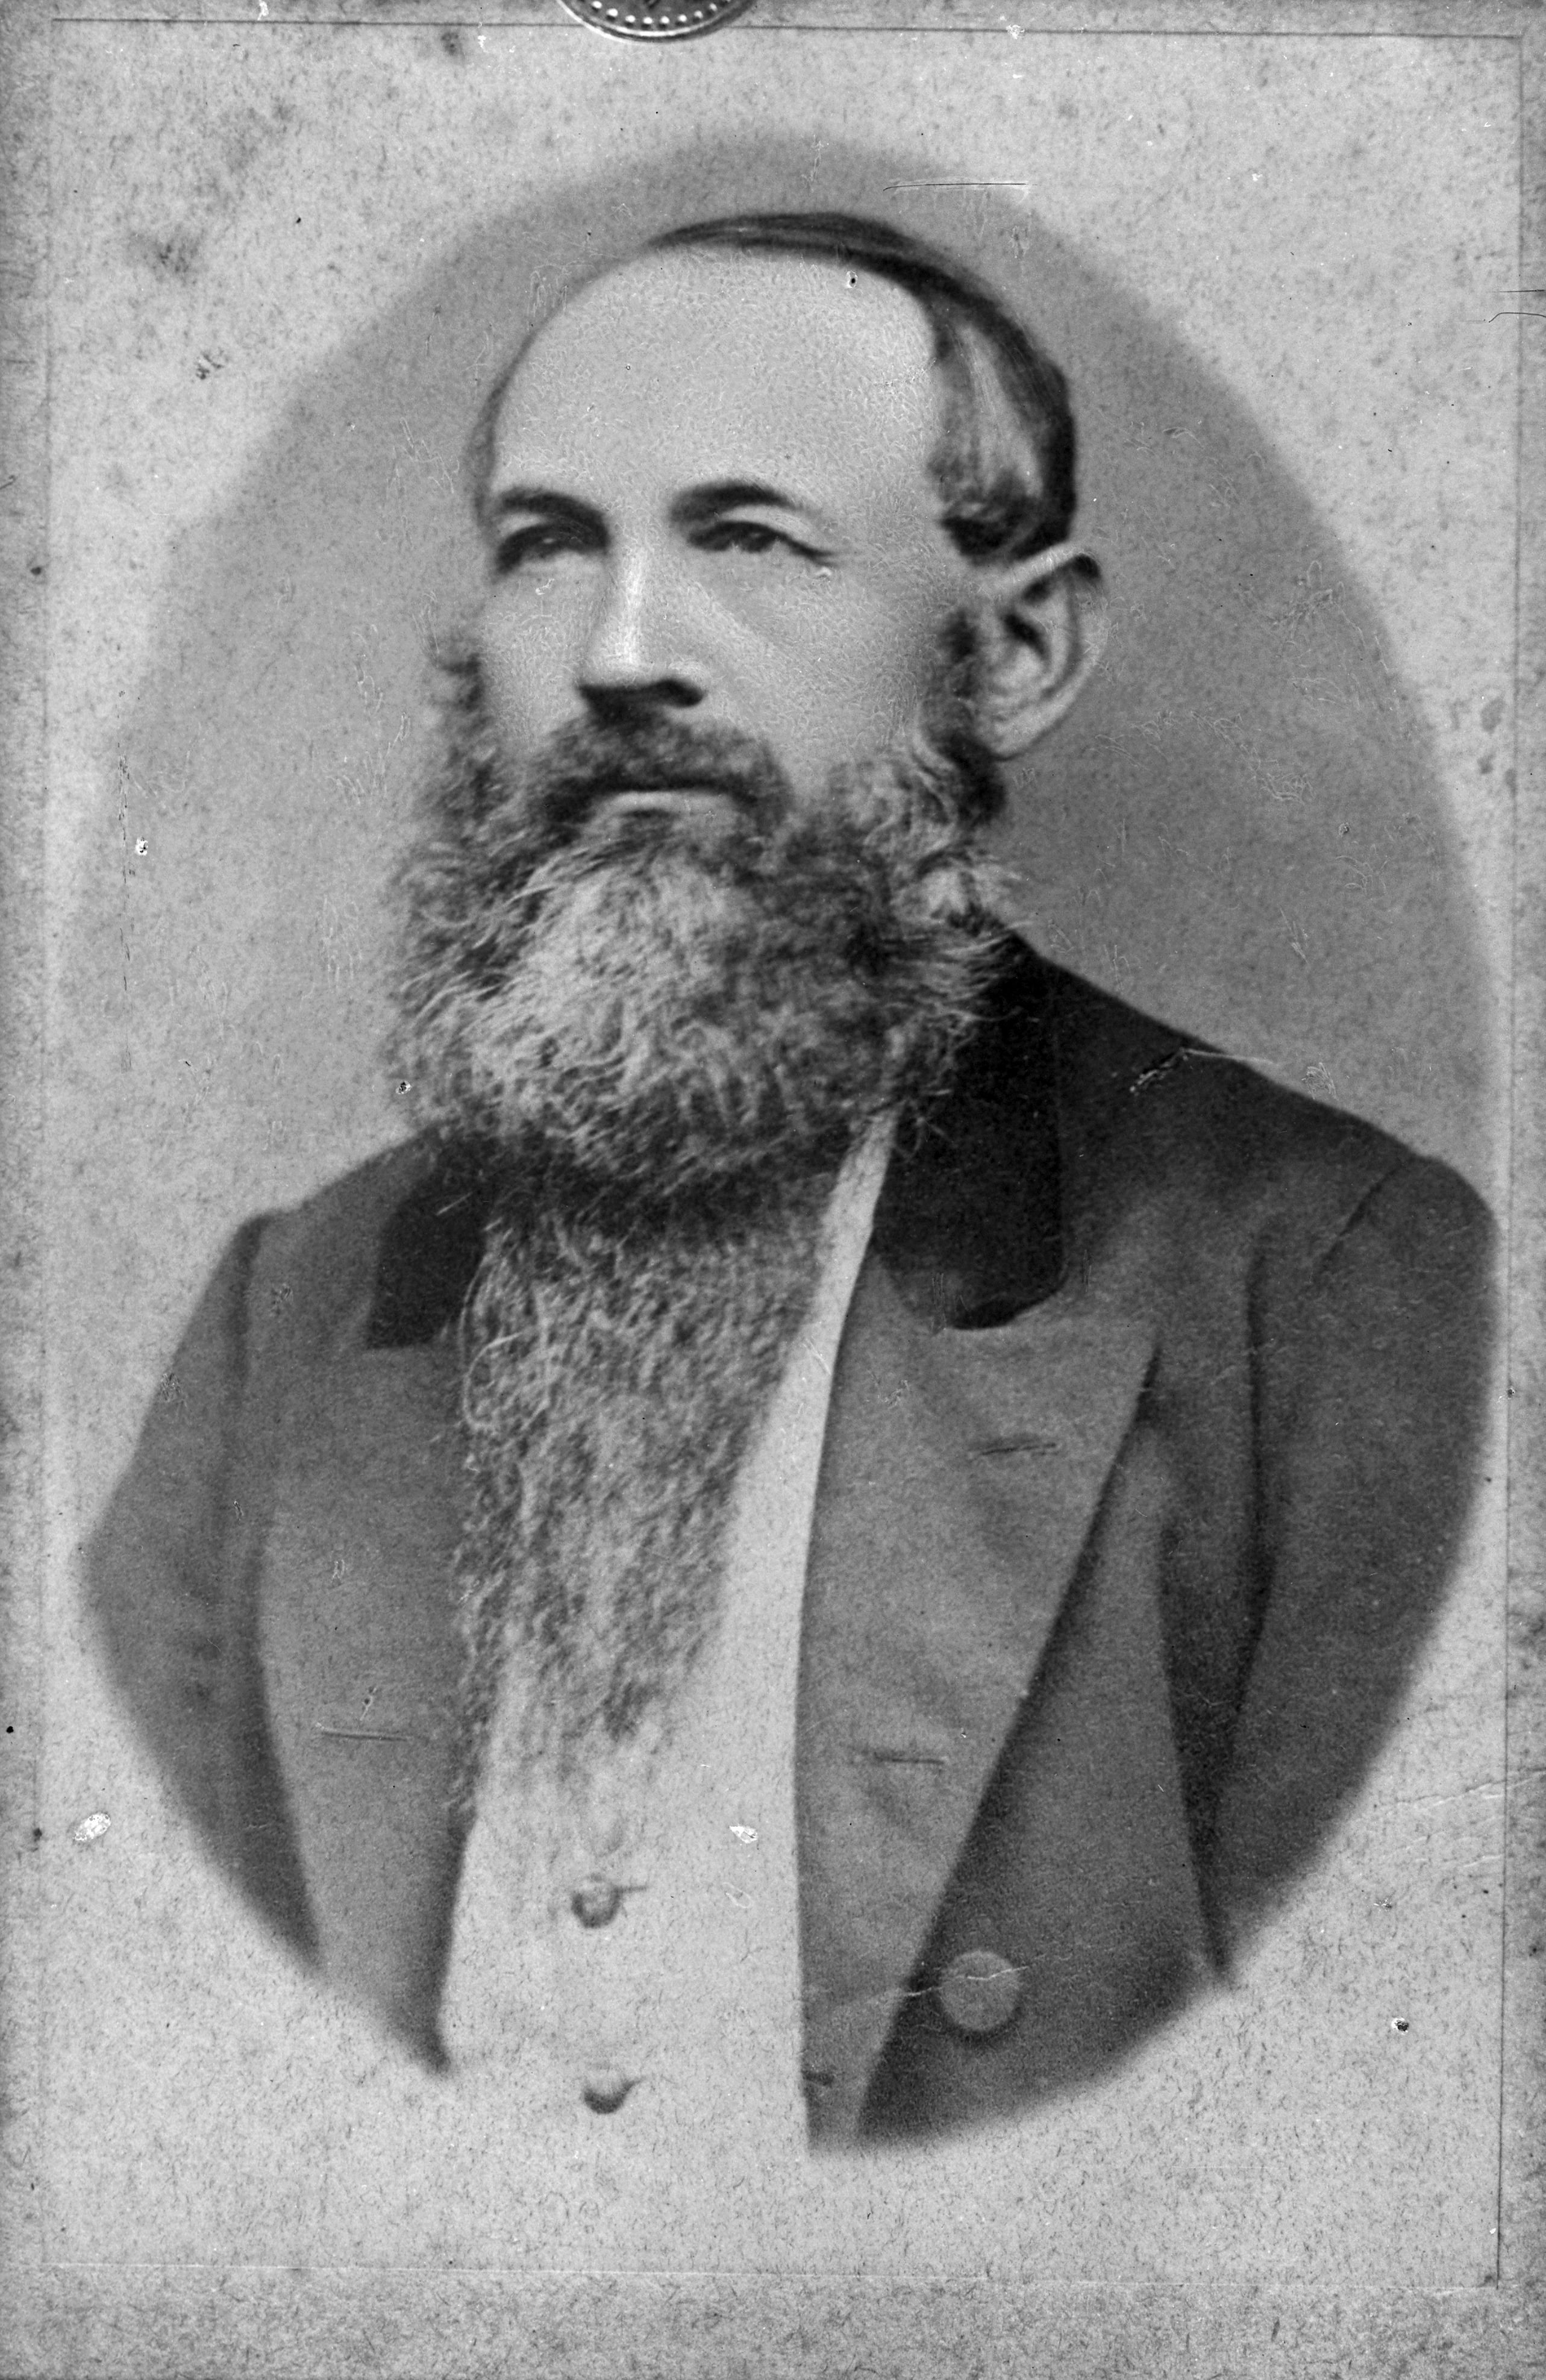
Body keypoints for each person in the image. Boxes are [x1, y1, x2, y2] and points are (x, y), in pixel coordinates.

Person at [86, 211, 1494, 2155]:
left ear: (1014, 653)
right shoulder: (292, 1312)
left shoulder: (1329, 1291)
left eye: (748, 540)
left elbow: (1367, 2140)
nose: (621, 655)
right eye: (548, 543)